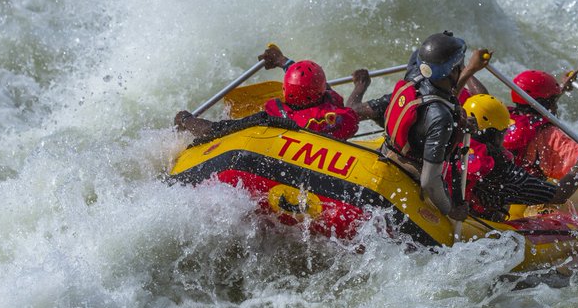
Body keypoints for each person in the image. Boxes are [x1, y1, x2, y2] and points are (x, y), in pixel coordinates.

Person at [352, 32, 490, 223]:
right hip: (408, 174)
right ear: (451, 72)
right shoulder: (440, 118)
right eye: (460, 65)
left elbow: (427, 64)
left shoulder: (415, 77)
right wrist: (450, 210)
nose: (461, 68)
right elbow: (429, 181)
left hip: (386, 155)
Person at [456, 94, 578, 221]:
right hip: (478, 224)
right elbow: (559, 194)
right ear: (496, 135)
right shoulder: (502, 171)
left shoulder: (450, 140)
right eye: (504, 132)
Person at [174, 45, 362, 140]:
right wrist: (360, 86)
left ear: (285, 90)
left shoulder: (271, 118)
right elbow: (327, 93)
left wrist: (185, 119)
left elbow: (213, 131)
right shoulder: (341, 117)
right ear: (322, 89)